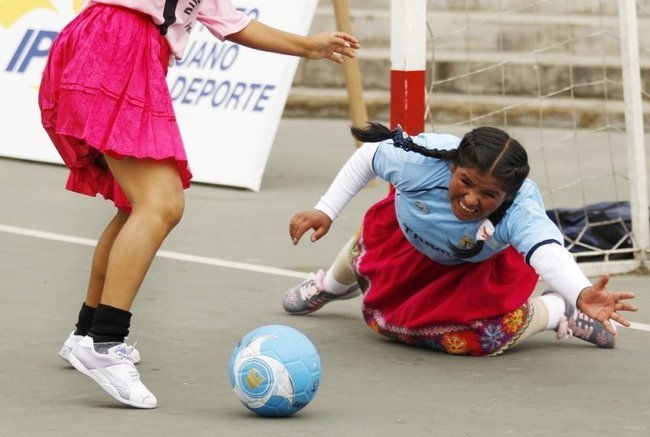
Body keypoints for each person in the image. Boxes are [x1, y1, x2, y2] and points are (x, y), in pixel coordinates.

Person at [39, 0, 360, 409]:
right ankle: (105, 342)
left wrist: (308, 47)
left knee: (137, 207)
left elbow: (230, 22)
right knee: (161, 204)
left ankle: (87, 333)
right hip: (116, 44)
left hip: (126, 49)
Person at [282, 121, 637, 357]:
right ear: (454, 166)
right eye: (466, 182)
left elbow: (547, 252)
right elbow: (368, 157)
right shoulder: (422, 160)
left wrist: (579, 292)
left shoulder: (521, 207)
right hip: (404, 242)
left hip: (470, 272)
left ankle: (560, 310)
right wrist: (326, 209)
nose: (470, 200)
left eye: (488, 194)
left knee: (483, 340)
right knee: (372, 234)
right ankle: (330, 285)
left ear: (508, 195)